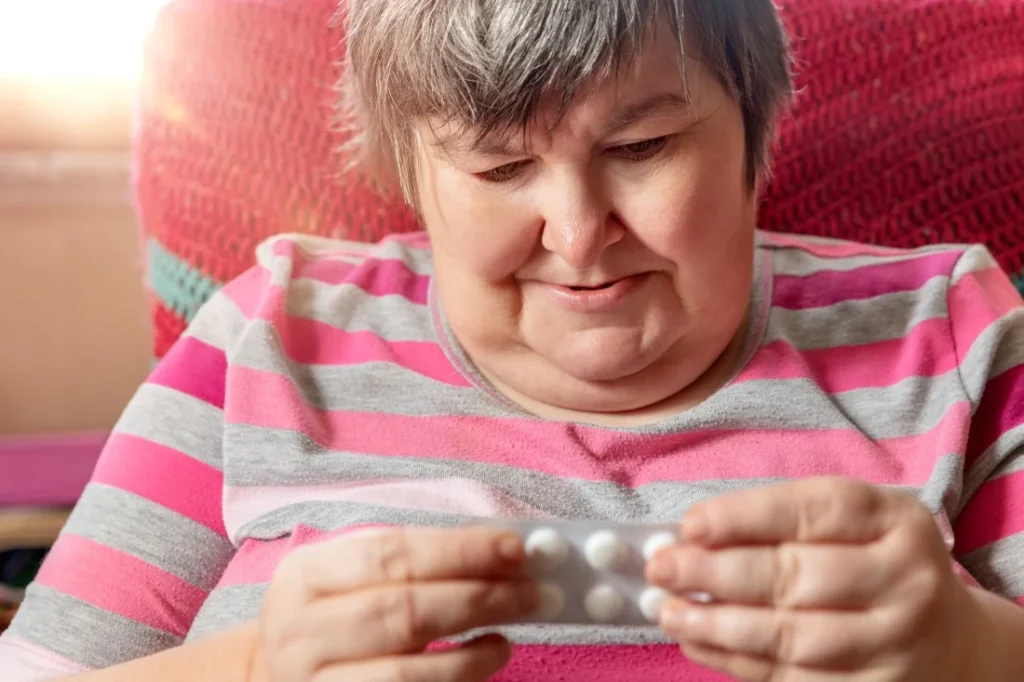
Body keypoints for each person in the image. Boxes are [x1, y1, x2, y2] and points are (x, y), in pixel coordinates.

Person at [3, 0, 1024, 680]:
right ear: (411, 171)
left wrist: (973, 647)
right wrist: (256, 662)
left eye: (641, 147)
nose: (578, 235)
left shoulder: (952, 333)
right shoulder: (268, 337)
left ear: (756, 130)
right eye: (498, 168)